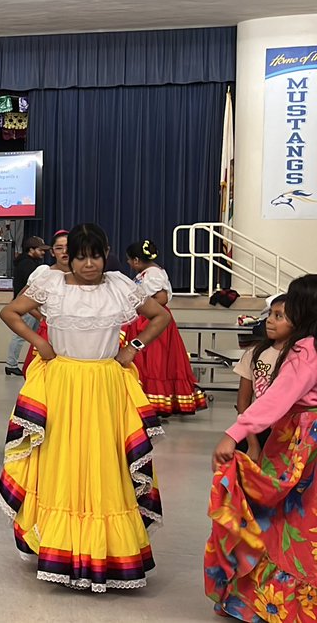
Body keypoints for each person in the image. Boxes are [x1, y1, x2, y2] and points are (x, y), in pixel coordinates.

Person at [0, 223, 171, 592]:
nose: (89, 264)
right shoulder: (50, 284)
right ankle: (59, 546)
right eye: (81, 256)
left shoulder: (122, 286)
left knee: (105, 463)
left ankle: (109, 552)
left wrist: (132, 350)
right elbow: (10, 312)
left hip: (106, 386)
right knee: (62, 462)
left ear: (105, 253)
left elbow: (161, 317)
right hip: (62, 385)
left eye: (95, 255)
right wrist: (39, 343)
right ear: (69, 257)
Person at [206, 274, 317, 620]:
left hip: (299, 439)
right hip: (300, 434)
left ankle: (270, 601)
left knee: (283, 518)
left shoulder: (306, 348)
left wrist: (235, 432)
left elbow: (278, 399)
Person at [122, 240, 207, 416]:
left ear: (136, 260)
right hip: (145, 317)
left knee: (154, 361)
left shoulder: (152, 274)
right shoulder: (149, 272)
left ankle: (155, 402)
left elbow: (161, 298)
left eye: (130, 260)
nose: (129, 264)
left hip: (152, 319)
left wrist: (141, 309)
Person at [232, 293, 290, 462]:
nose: (270, 320)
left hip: (288, 434)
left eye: (278, 316)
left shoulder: (300, 357)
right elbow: (243, 403)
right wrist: (252, 443)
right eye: (269, 314)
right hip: (257, 430)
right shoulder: (254, 354)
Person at [20, 230, 69, 374]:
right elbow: (18, 304)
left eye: (69, 247)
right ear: (53, 252)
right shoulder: (45, 272)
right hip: (49, 333)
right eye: (59, 248)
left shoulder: (84, 275)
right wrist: (41, 317)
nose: (64, 252)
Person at [5, 236, 49, 376]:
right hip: (28, 307)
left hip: (25, 306)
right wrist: (38, 314)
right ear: (31, 250)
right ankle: (11, 363)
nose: (43, 253)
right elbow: (29, 290)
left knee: (32, 336)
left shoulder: (24, 263)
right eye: (40, 250)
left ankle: (21, 362)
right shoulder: (29, 266)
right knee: (21, 336)